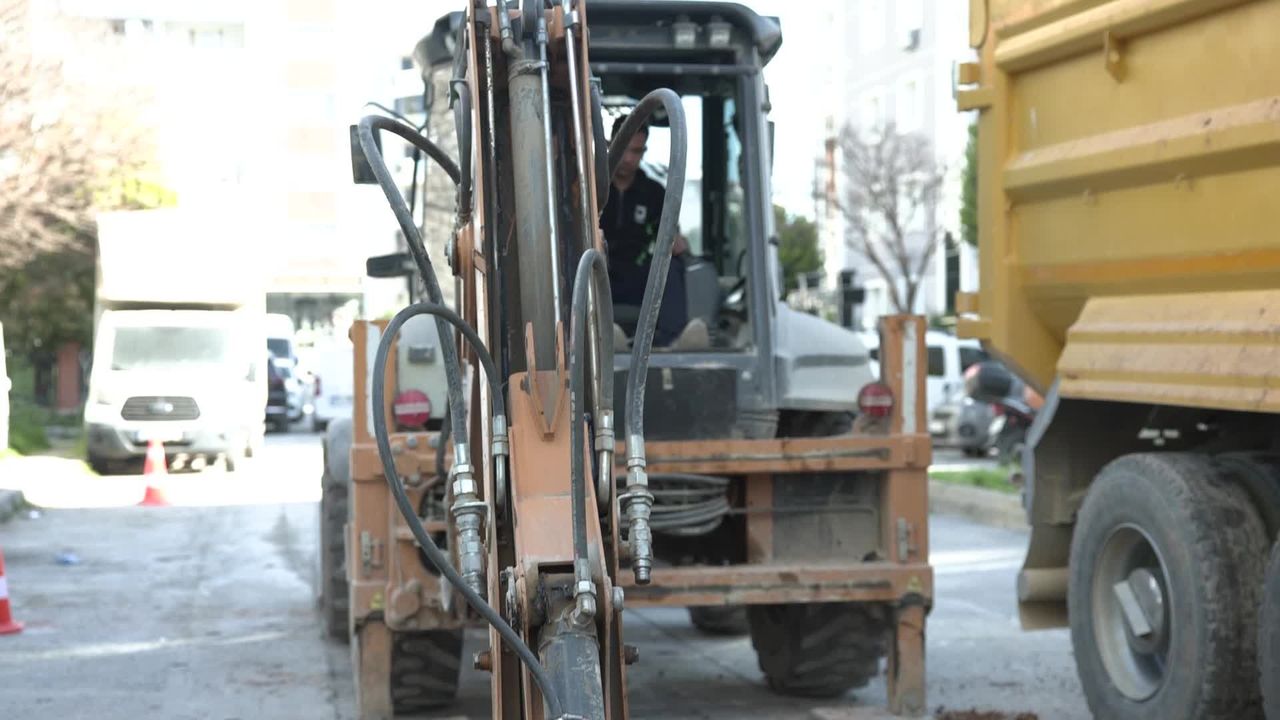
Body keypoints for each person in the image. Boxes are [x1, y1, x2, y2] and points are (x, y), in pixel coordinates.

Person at [600, 114, 695, 348]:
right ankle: (603, 337)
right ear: (610, 144)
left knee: (673, 266)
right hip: (601, 276)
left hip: (638, 277)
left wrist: (676, 242)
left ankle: (671, 341)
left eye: (636, 151)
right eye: (624, 149)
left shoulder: (653, 193)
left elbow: (669, 233)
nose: (628, 158)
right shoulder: (592, 188)